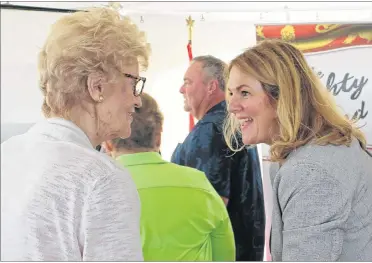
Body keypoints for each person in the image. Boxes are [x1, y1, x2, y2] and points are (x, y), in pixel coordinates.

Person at [224, 39, 372, 261]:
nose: (231, 106)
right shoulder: (324, 148)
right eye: (231, 93)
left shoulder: (310, 169)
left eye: (244, 92)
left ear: (282, 97)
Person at [1, 7, 150, 261]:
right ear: (97, 86)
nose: (137, 100)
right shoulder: (101, 179)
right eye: (133, 83)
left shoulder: (8, 154)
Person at [103, 93, 236, 261]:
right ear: (158, 138)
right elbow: (225, 256)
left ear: (108, 142)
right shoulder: (200, 186)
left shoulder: (98, 192)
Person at [171, 55, 265, 261]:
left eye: (187, 82)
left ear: (211, 87)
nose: (181, 89)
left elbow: (208, 209)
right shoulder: (232, 124)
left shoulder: (210, 130)